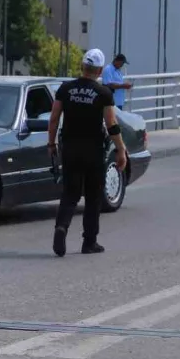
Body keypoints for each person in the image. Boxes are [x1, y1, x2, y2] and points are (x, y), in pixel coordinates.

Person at [47, 48, 128, 257]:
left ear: (82, 67)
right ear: (100, 69)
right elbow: (111, 124)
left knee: (70, 193)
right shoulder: (103, 93)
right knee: (93, 196)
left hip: (70, 148)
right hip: (93, 150)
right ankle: (89, 242)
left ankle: (61, 227)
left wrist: (51, 144)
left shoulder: (65, 89)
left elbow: (54, 118)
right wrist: (121, 149)